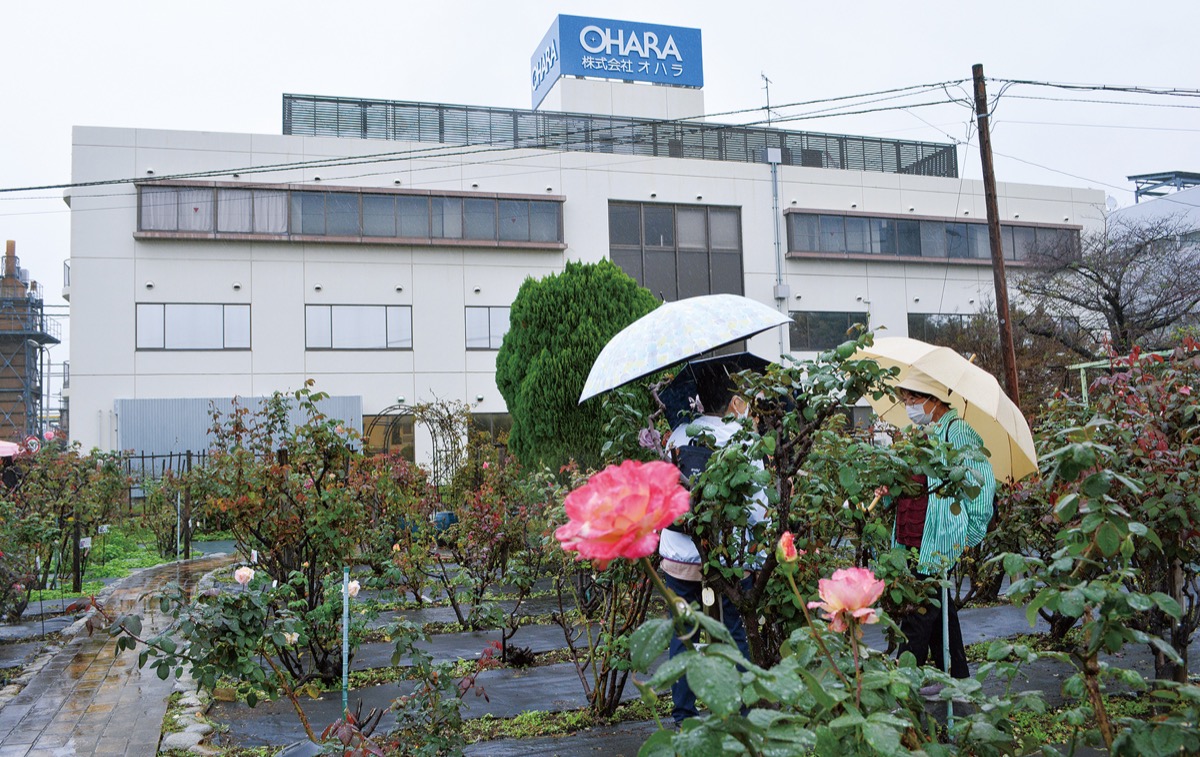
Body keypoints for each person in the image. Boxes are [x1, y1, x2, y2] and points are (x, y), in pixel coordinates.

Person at [658, 363, 767, 726]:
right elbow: (758, 508)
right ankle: (741, 713)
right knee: (734, 632)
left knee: (684, 632)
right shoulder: (742, 439)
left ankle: (683, 716)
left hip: (679, 552)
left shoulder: (677, 436)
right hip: (728, 555)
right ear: (733, 400)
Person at [888, 373, 996, 688]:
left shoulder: (957, 431)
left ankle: (904, 686)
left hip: (937, 539)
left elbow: (981, 482)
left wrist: (970, 532)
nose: (908, 406)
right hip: (915, 538)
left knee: (918, 611)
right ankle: (958, 680)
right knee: (938, 610)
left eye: (912, 399)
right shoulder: (925, 434)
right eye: (905, 400)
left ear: (933, 399)